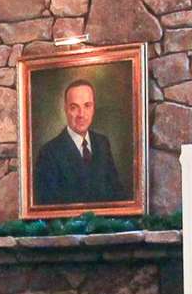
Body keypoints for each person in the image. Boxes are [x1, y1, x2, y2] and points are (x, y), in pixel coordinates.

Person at [31, 77, 127, 207]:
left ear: (93, 108)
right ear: (65, 109)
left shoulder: (102, 143)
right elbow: (47, 206)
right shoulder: (49, 153)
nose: (81, 114)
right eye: (74, 107)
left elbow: (117, 192)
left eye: (87, 106)